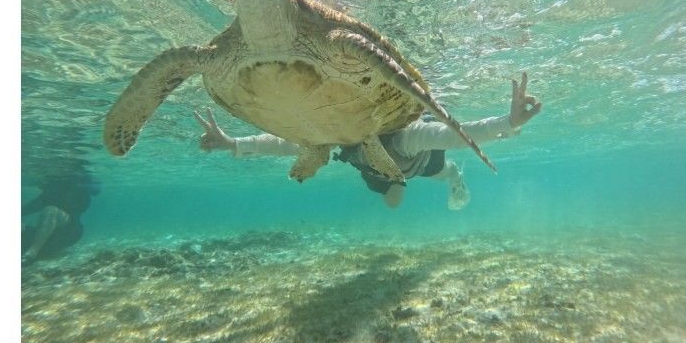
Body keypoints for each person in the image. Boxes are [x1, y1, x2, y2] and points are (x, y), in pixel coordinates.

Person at [195, 73, 541, 210]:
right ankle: (422, 178)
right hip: (375, 169)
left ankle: (456, 179)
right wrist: (234, 143)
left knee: (442, 170)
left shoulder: (406, 135)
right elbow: (285, 143)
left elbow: (453, 135)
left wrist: (508, 122)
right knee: (393, 202)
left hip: (415, 162)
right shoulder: (338, 132)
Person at [21, 165, 99, 265]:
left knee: (50, 211)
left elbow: (96, 190)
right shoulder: (49, 192)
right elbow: (27, 209)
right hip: (51, 237)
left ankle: (31, 253)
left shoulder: (77, 185)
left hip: (70, 232)